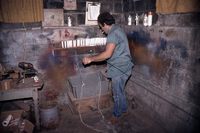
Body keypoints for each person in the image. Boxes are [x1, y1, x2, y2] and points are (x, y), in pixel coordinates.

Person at [82, 12, 134, 124]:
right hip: (123, 66)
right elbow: (119, 51)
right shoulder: (118, 30)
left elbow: (107, 54)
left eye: (101, 27)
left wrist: (90, 59)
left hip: (120, 69)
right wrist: (109, 64)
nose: (102, 30)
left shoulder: (112, 33)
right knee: (120, 91)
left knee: (117, 93)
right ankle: (124, 109)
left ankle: (116, 115)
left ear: (105, 24)